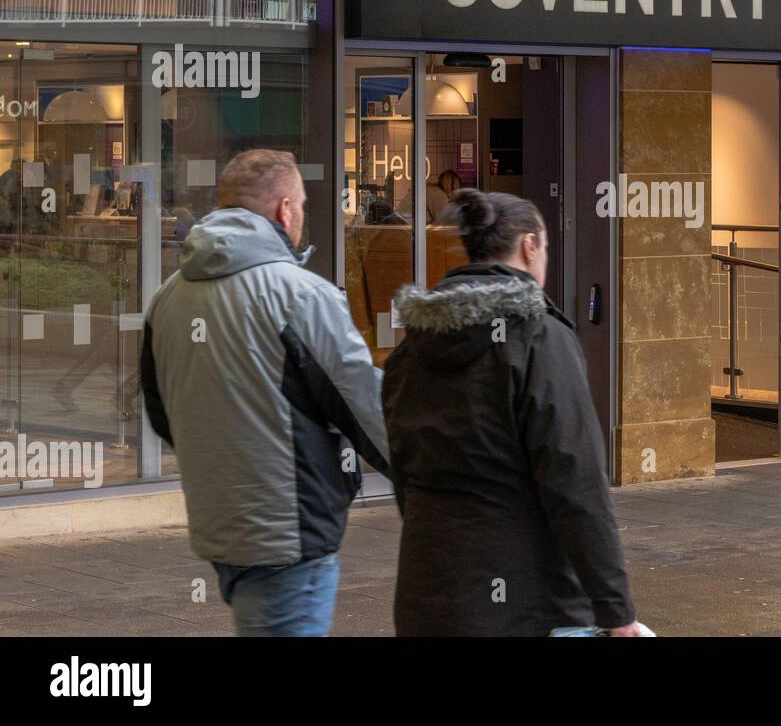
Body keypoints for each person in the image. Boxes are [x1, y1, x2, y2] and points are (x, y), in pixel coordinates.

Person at [140, 149, 390, 636]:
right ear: (285, 211)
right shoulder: (299, 295)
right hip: (290, 529)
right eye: (300, 206)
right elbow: (367, 408)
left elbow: (162, 414)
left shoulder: (166, 298)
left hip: (222, 524)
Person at [383, 188, 641, 636]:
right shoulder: (538, 337)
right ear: (529, 246)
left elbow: (404, 469)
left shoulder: (413, 347)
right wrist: (615, 610)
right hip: (527, 600)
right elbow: (575, 480)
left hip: (428, 590)